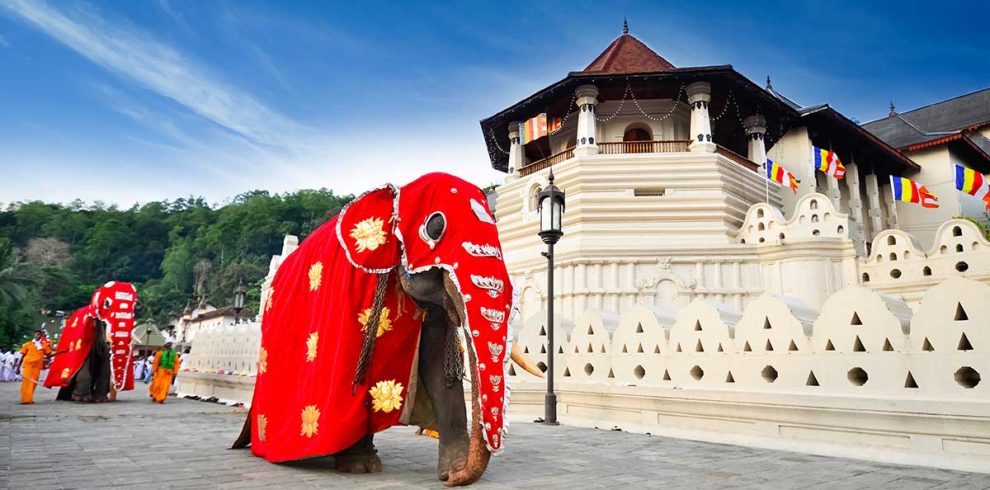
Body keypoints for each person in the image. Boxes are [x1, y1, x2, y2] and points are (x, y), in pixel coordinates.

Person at [15, 330, 52, 404]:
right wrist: (18, 367)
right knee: (26, 382)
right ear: (34, 335)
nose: (39, 336)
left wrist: (60, 352)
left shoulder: (43, 345)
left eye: (40, 335)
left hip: (37, 367)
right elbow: (22, 356)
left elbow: (49, 355)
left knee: (33, 383)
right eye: (37, 334)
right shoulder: (27, 344)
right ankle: (25, 400)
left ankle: (29, 398)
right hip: (28, 366)